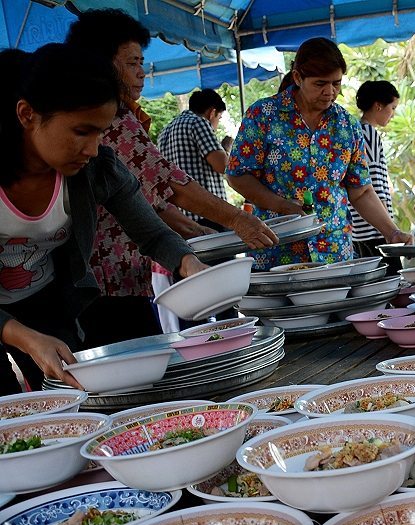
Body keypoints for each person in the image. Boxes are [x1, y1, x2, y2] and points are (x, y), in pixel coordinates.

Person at [0, 44, 206, 393]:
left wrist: (189, 264)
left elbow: (153, 236)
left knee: (71, 401)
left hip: (48, 302)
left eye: (101, 132)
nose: (93, 148)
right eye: (82, 131)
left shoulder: (97, 169)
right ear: (27, 114)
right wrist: (27, 339)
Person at [65, 9, 277, 346]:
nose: (142, 74)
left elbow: (150, 203)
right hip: (103, 286)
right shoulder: (116, 121)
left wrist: (196, 236)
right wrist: (238, 219)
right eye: (133, 63)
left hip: (118, 279)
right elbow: (172, 183)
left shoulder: (126, 120)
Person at [227, 38, 412, 270]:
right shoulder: (263, 115)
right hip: (276, 250)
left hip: (334, 252)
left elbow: (361, 190)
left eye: (336, 83)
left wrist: (391, 231)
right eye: (320, 84)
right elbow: (237, 174)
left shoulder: (347, 125)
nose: (330, 92)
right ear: (297, 78)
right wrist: (282, 205)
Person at [158, 89, 232, 231]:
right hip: (209, 214)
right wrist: (226, 150)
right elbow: (223, 166)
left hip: (181, 219)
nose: (216, 125)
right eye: (219, 118)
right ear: (212, 112)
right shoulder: (198, 123)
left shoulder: (165, 132)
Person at [348, 80, 400, 262]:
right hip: (375, 228)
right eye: (392, 108)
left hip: (359, 228)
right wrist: (390, 228)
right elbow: (375, 185)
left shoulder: (355, 130)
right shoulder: (368, 134)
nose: (392, 114)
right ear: (378, 106)